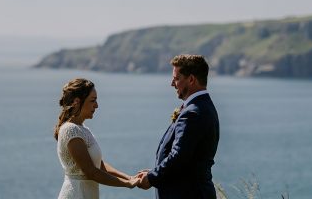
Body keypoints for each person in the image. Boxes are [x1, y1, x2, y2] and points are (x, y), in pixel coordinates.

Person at [137, 54, 220, 198]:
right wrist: (155, 171)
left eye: (176, 78)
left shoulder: (193, 112)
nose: (172, 84)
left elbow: (179, 156)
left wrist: (152, 177)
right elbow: (188, 161)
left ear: (191, 79)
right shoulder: (202, 106)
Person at [55, 78, 139, 199]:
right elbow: (91, 172)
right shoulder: (70, 130)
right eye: (93, 100)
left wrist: (129, 178)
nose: (97, 105)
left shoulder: (83, 129)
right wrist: (126, 184)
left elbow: (99, 165)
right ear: (77, 102)